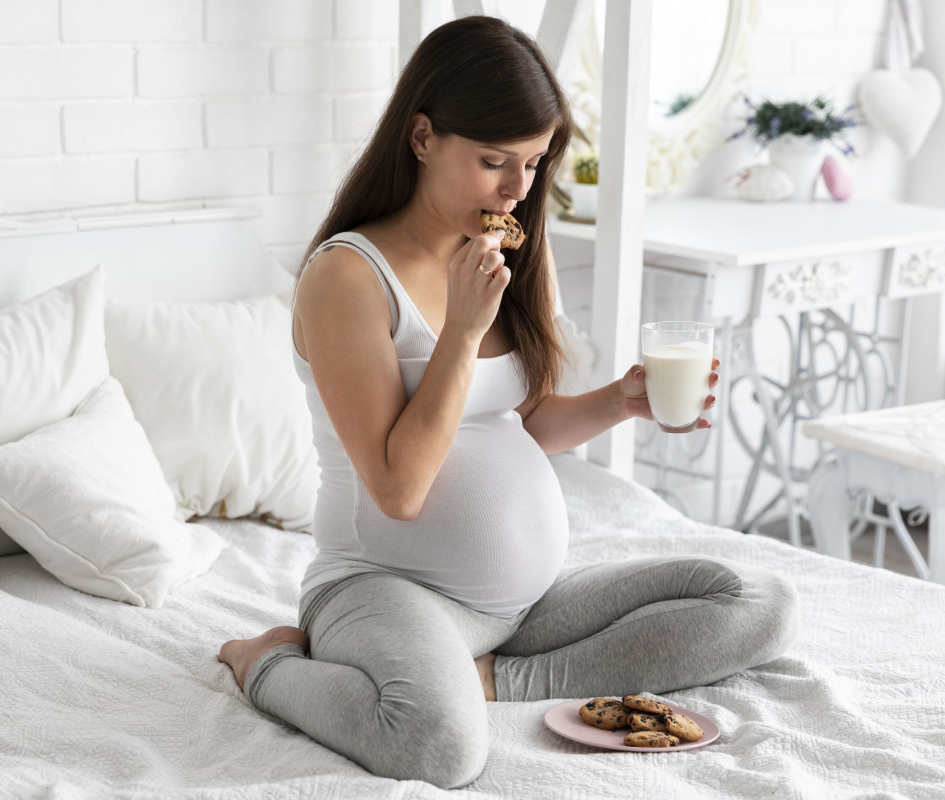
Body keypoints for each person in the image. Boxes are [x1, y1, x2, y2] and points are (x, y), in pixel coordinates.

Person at [218, 15, 800, 789]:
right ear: (421, 137)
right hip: (384, 588)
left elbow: (521, 420)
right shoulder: (348, 279)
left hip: (524, 606)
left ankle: (490, 679)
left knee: (758, 600)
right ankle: (264, 661)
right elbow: (398, 488)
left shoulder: (506, 253)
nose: (517, 190)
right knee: (437, 747)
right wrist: (460, 332)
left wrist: (623, 402)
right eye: (494, 161)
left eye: (533, 163)